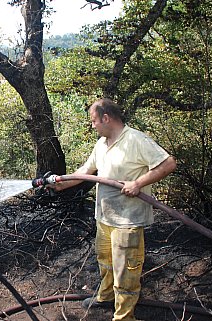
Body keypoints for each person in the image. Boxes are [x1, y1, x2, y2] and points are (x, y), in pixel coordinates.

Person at [50, 98, 176, 321]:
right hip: (105, 217)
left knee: (125, 272)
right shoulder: (102, 144)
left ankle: (124, 317)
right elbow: (86, 170)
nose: (92, 125)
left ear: (106, 118)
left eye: (93, 121)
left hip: (127, 222)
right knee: (105, 260)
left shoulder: (136, 140)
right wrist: (61, 183)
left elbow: (168, 164)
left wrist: (137, 183)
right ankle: (106, 296)